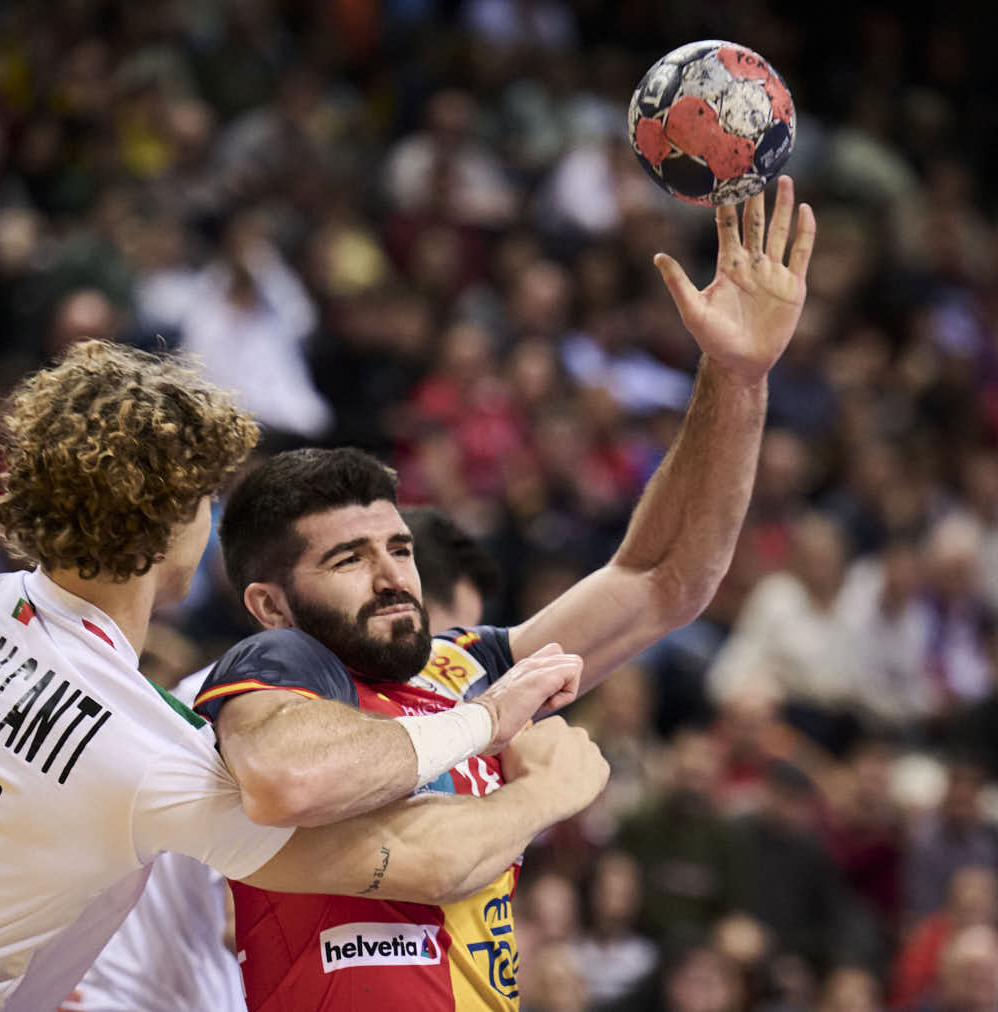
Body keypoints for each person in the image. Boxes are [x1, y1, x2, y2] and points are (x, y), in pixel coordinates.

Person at [0, 342, 608, 1011]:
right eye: (206, 500)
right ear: (173, 521)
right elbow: (420, 861)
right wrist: (506, 746)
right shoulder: (143, 752)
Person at [192, 177, 815, 1009]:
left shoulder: (462, 667)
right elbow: (287, 782)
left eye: (400, 548)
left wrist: (737, 377)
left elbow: (663, 579)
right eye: (348, 559)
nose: (392, 577)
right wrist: (538, 788)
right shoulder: (276, 667)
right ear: (270, 602)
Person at [73, 507, 505, 1011]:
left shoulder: (253, 690)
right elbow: (250, 920)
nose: (449, 675)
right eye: (451, 642)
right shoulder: (282, 719)